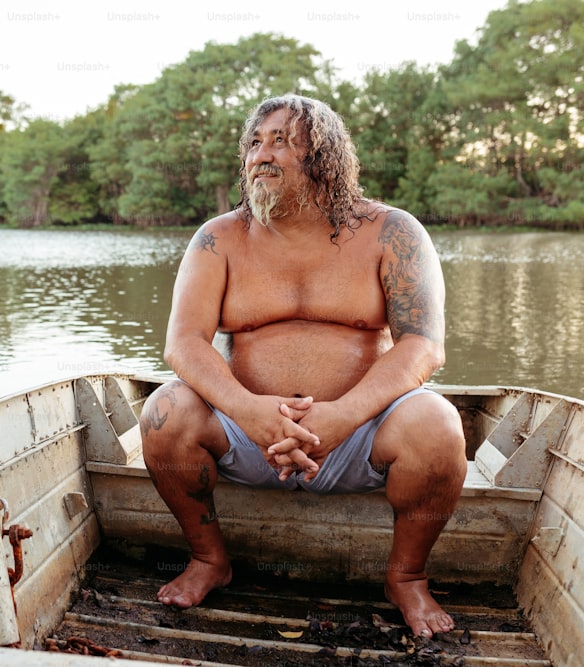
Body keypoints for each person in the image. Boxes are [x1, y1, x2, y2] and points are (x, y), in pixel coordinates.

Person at [140, 94, 467, 639]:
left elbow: (423, 347)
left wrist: (340, 417)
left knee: (438, 425)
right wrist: (250, 412)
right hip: (249, 436)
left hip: (358, 436)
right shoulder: (219, 238)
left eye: (281, 141)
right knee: (163, 412)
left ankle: (406, 576)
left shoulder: (392, 231)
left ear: (326, 157)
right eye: (254, 142)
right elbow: (183, 344)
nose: (259, 155)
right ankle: (208, 559)